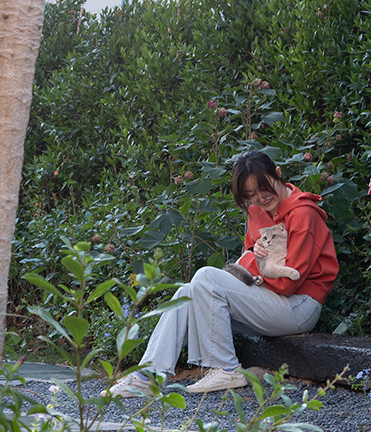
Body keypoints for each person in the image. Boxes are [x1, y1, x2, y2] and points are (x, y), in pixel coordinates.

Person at [109, 151, 338, 396]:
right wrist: (254, 257)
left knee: (206, 278)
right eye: (251, 195)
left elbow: (286, 283)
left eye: (265, 188)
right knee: (187, 292)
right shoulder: (257, 211)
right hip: (265, 298)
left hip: (298, 307)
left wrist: (252, 258)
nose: (260, 198)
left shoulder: (304, 214)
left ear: (278, 174)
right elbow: (248, 261)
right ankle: (147, 376)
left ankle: (225, 368)